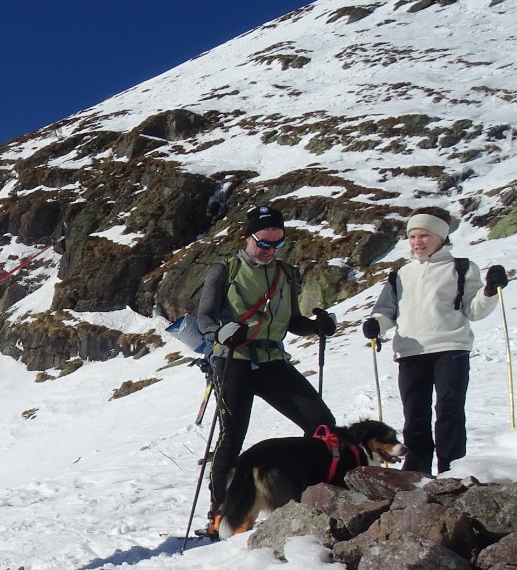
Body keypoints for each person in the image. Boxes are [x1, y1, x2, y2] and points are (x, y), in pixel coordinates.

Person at [196, 205, 337, 539]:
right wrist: (222, 332)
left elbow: (290, 321)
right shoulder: (225, 270)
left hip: (272, 360)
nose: (269, 251)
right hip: (233, 360)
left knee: (321, 424)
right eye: (263, 243)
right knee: (232, 437)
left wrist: (317, 326)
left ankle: (309, 495)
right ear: (248, 237)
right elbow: (204, 318)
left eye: (277, 243)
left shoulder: (286, 274)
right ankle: (219, 515)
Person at [361, 209, 504, 475]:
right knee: (414, 416)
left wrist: (488, 291)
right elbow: (386, 311)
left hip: (452, 348)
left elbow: (474, 310)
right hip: (410, 351)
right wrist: (375, 325)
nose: (417, 242)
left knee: (449, 411)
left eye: (424, 235)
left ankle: (452, 470)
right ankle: (417, 472)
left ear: (441, 237)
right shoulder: (400, 274)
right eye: (412, 236)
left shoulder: (461, 268)